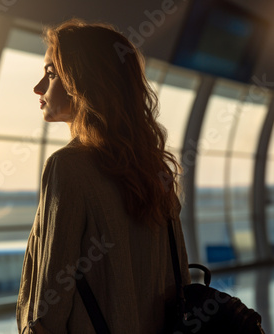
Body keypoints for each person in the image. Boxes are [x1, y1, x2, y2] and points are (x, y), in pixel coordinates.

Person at [16, 19, 191, 334]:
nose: (38, 87)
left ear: (84, 82)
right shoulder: (154, 170)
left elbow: (48, 307)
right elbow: (178, 279)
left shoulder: (68, 167)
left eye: (51, 73)